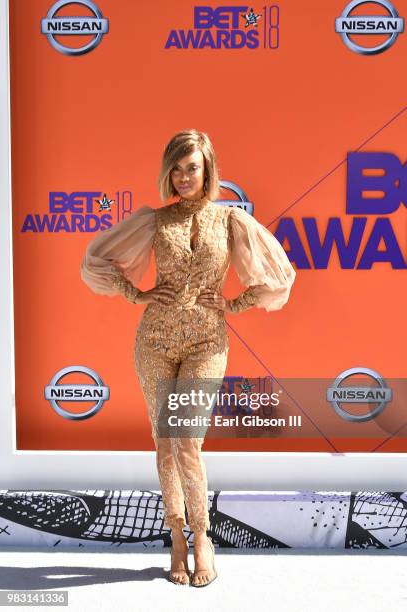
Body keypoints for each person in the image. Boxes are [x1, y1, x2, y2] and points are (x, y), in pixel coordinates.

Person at [80, 129, 296, 587]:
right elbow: (96, 260)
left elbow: (280, 276)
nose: (182, 177)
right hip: (155, 341)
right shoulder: (155, 222)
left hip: (206, 344)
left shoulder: (231, 221)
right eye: (175, 169)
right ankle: (175, 535)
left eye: (191, 168)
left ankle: (203, 537)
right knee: (164, 442)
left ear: (207, 170)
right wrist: (134, 293)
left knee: (186, 442)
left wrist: (236, 305)